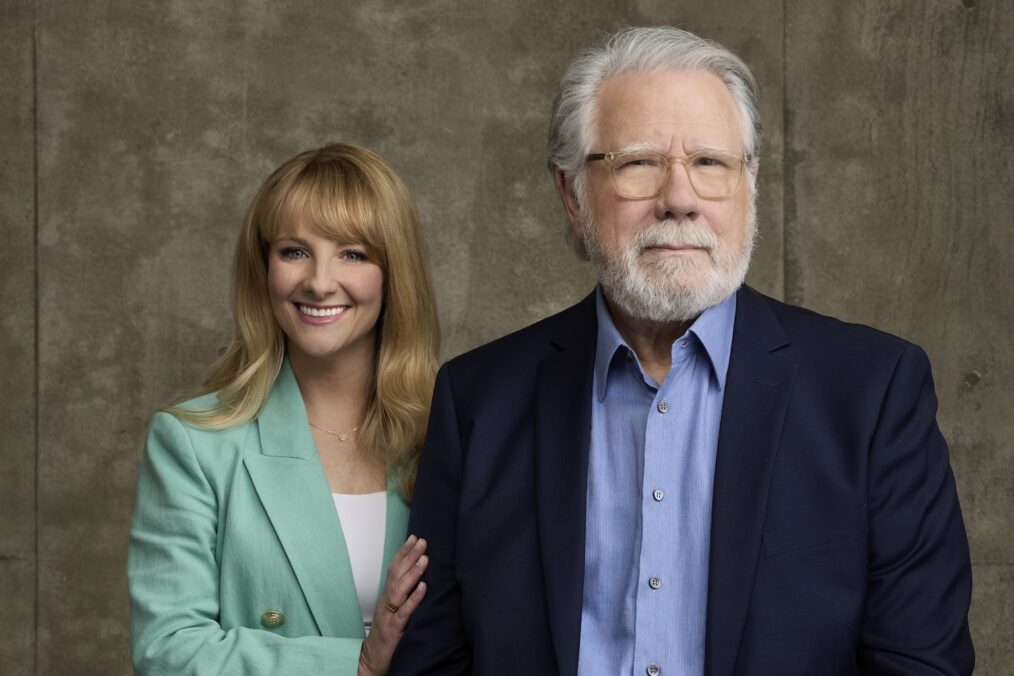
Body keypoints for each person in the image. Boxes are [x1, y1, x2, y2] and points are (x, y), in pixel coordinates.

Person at [391, 26, 974, 675]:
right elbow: (433, 661)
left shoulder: (872, 394)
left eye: (710, 163)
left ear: (749, 186)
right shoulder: (477, 401)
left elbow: (921, 664)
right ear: (571, 196)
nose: (679, 198)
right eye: (638, 162)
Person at [128, 143, 439, 675]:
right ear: (263, 266)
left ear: (395, 274)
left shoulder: (452, 433)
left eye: (354, 253)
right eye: (294, 251)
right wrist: (357, 665)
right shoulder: (194, 442)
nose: (319, 281)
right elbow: (167, 651)